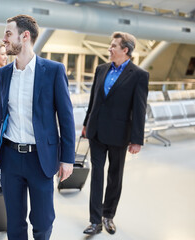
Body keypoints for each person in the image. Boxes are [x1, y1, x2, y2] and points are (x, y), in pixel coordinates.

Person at [0, 14, 75, 240]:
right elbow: (2, 115)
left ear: (25, 36)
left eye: (8, 34)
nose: (4, 39)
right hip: (10, 158)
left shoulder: (53, 70)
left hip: (40, 158)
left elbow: (66, 118)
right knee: (14, 222)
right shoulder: (3, 74)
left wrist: (67, 158)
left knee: (42, 221)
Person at [82, 32, 149, 235]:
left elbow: (139, 109)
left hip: (120, 134)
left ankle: (108, 215)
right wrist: (86, 123)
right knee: (97, 175)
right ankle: (95, 221)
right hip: (96, 131)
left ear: (125, 50)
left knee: (115, 177)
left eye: (113, 46)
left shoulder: (138, 75)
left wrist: (137, 139)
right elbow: (94, 99)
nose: (109, 49)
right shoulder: (101, 69)